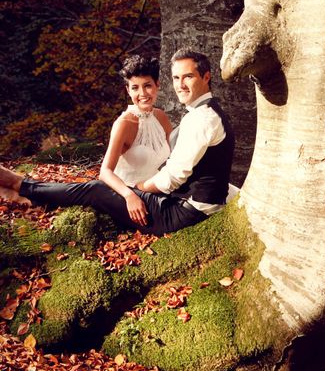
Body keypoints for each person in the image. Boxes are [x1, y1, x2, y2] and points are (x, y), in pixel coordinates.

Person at [0, 49, 235, 236]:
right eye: (176, 78)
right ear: (127, 90)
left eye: (188, 77)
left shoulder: (193, 118)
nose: (181, 84)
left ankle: (25, 189)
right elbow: (109, 171)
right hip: (147, 190)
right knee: (93, 188)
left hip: (179, 206)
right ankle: (24, 187)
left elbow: (175, 173)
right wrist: (131, 193)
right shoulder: (205, 113)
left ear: (206, 77)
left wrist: (140, 189)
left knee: (93, 189)